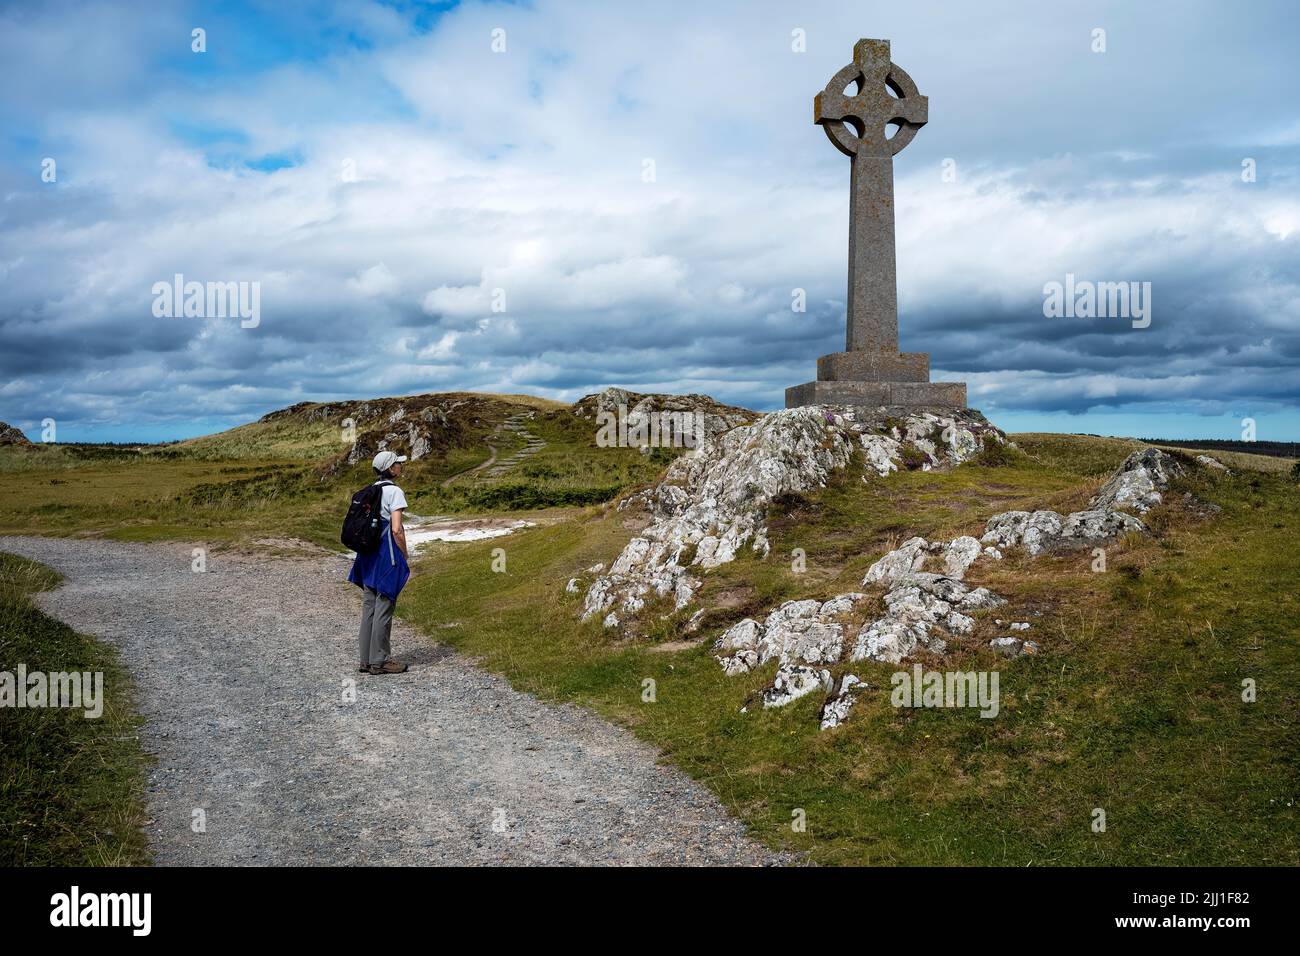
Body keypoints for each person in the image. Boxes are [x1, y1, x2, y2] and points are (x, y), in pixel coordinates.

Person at [349, 450, 412, 675]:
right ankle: (381, 660)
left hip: (367, 555)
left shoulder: (371, 490)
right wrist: (404, 554)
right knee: (385, 605)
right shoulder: (394, 492)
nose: (400, 466)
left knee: (370, 607)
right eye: (397, 463)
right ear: (389, 468)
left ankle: (365, 660)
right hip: (386, 554)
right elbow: (396, 529)